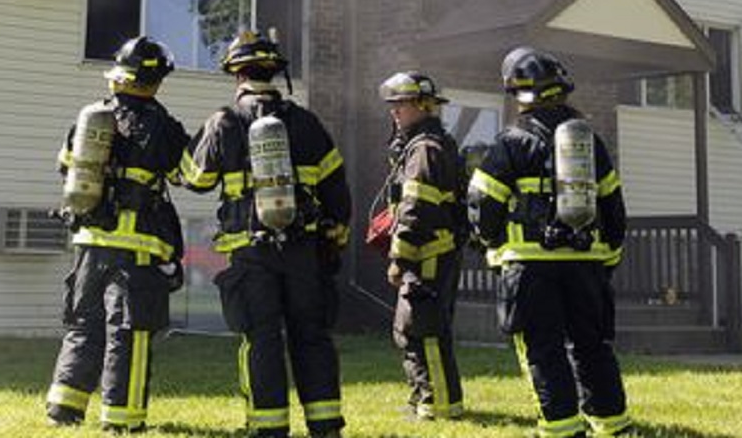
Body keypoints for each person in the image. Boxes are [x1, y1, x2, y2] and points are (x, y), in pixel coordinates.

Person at [179, 30, 351, 438]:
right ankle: (325, 424)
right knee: (312, 336)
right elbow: (337, 192)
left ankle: (268, 427)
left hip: (250, 252)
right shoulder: (307, 123)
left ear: (236, 75)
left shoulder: (224, 121)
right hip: (303, 252)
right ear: (275, 74)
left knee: (262, 338)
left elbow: (195, 178)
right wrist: (333, 238)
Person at [467, 47, 630, 438]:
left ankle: (560, 428)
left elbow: (482, 201)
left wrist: (488, 241)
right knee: (592, 345)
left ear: (517, 93)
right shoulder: (590, 143)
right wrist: (606, 259)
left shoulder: (511, 141)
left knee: (543, 348)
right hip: (586, 262)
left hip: (530, 265)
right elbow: (614, 209)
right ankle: (613, 425)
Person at [45, 36, 190, 432]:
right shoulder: (163, 126)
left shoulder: (91, 117)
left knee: (83, 325)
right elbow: (189, 176)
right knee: (130, 331)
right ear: (156, 80)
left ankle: (64, 407)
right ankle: (122, 419)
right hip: (137, 247)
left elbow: (66, 167)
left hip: (90, 241)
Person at [377, 71, 470, 420]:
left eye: (401, 105)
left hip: (427, 253)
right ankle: (425, 399)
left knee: (424, 329)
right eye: (393, 105)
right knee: (413, 327)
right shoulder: (426, 144)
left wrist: (398, 257)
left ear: (422, 106)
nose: (394, 112)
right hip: (431, 251)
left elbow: (417, 208)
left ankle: (439, 404)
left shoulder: (426, 149)